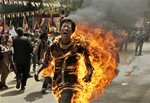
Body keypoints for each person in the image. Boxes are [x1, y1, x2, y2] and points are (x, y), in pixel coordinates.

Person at [34, 19, 93, 103]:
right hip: (57, 84)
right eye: (63, 26)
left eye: (68, 27)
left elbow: (88, 63)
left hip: (71, 84)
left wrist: (89, 73)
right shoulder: (53, 47)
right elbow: (45, 62)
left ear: (72, 31)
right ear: (60, 30)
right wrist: (37, 71)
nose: (65, 28)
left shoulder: (78, 47)